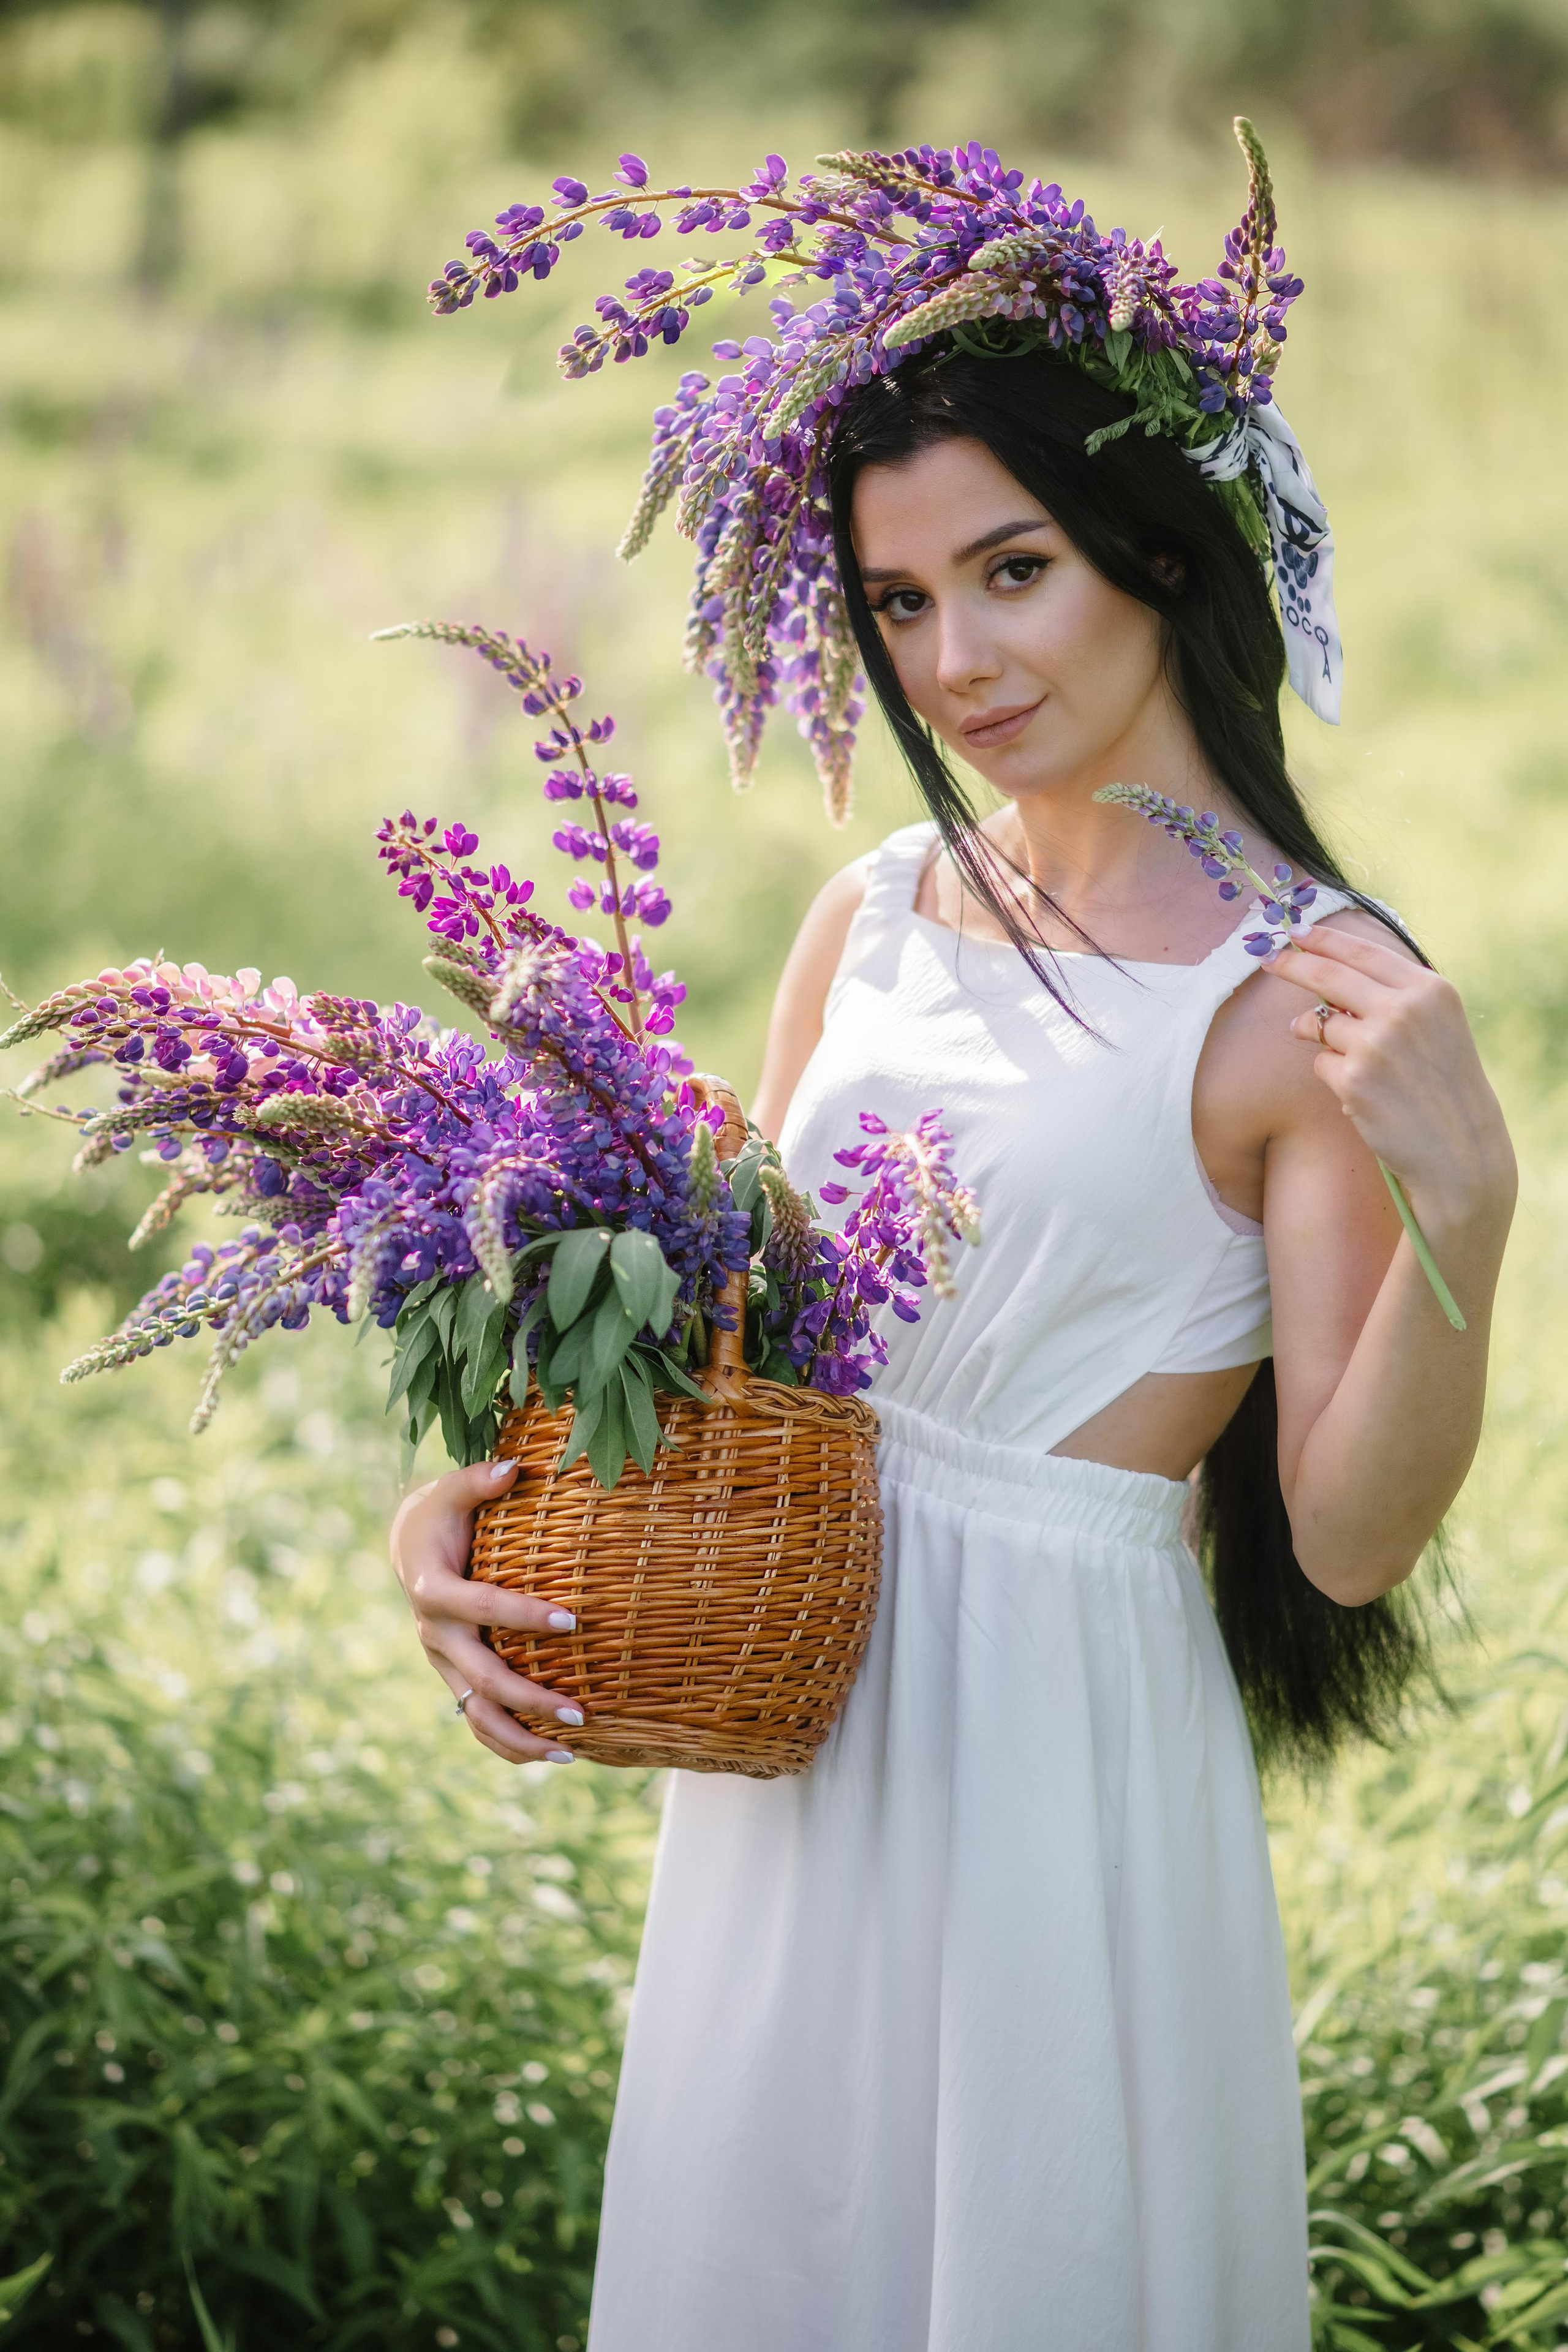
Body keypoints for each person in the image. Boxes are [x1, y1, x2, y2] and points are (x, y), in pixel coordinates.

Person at [391, 134, 1516, 2349]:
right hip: (800, 1753)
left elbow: (1353, 1543)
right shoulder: (877, 911)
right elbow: (737, 1359)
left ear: (1157, 551)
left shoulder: (1302, 993)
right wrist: (475, 1501)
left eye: (1011, 573)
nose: (957, 659)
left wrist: (1468, 1213)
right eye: (900, 606)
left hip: (1056, 1776)